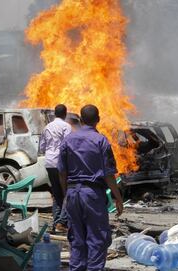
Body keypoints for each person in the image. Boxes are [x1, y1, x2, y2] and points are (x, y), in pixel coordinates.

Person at [58, 104, 123, 271]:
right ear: (98, 120)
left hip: (73, 193)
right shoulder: (101, 141)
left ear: (80, 119)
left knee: (77, 237)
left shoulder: (67, 140)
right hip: (92, 195)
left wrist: (67, 194)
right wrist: (118, 197)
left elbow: (62, 173)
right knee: (96, 237)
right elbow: (109, 174)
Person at [39, 104, 71, 233]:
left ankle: (57, 222)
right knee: (68, 192)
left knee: (56, 193)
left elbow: (42, 147)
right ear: (65, 114)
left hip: (49, 162)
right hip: (61, 163)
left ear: (55, 114)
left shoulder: (47, 127)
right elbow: (68, 145)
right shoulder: (66, 126)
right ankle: (62, 222)